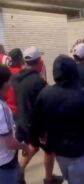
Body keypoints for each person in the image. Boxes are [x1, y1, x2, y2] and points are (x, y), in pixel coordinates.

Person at [33, 55, 84, 184]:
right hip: (78, 152)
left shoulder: (45, 93)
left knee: (67, 176)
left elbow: (36, 120)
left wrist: (40, 134)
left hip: (58, 150)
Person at [12, 47, 63, 184]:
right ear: (39, 62)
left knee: (33, 146)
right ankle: (49, 179)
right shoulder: (38, 82)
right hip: (37, 124)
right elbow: (44, 105)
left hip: (21, 120)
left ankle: (20, 172)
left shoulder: (16, 78)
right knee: (49, 150)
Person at [0, 65, 29, 184]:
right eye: (9, 81)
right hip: (4, 162)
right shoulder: (2, 108)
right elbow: (10, 143)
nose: (11, 85)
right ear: (4, 83)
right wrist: (24, 146)